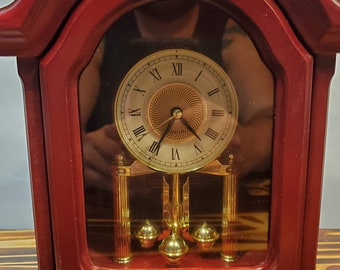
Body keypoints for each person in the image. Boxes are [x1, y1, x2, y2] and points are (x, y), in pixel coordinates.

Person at [79, 0, 274, 219]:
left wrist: (244, 146)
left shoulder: (231, 32)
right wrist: (84, 154)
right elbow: (61, 128)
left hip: (208, 213)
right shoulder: (96, 33)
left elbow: (272, 123)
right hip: (117, 212)